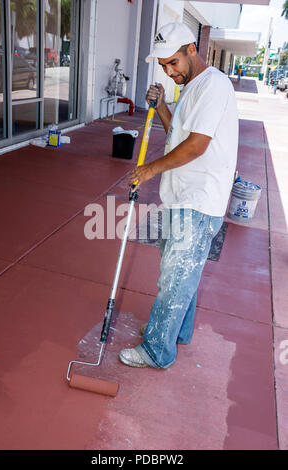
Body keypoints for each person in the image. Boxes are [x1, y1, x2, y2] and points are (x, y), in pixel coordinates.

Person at [118, 22, 238, 369]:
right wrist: (161, 108)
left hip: (199, 200)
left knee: (175, 277)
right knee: (184, 273)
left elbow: (197, 146)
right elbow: (179, 134)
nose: (169, 71)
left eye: (173, 62)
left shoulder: (213, 85)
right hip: (183, 196)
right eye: (163, 66)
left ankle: (157, 349)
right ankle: (177, 332)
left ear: (191, 49)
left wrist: (149, 170)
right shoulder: (191, 86)